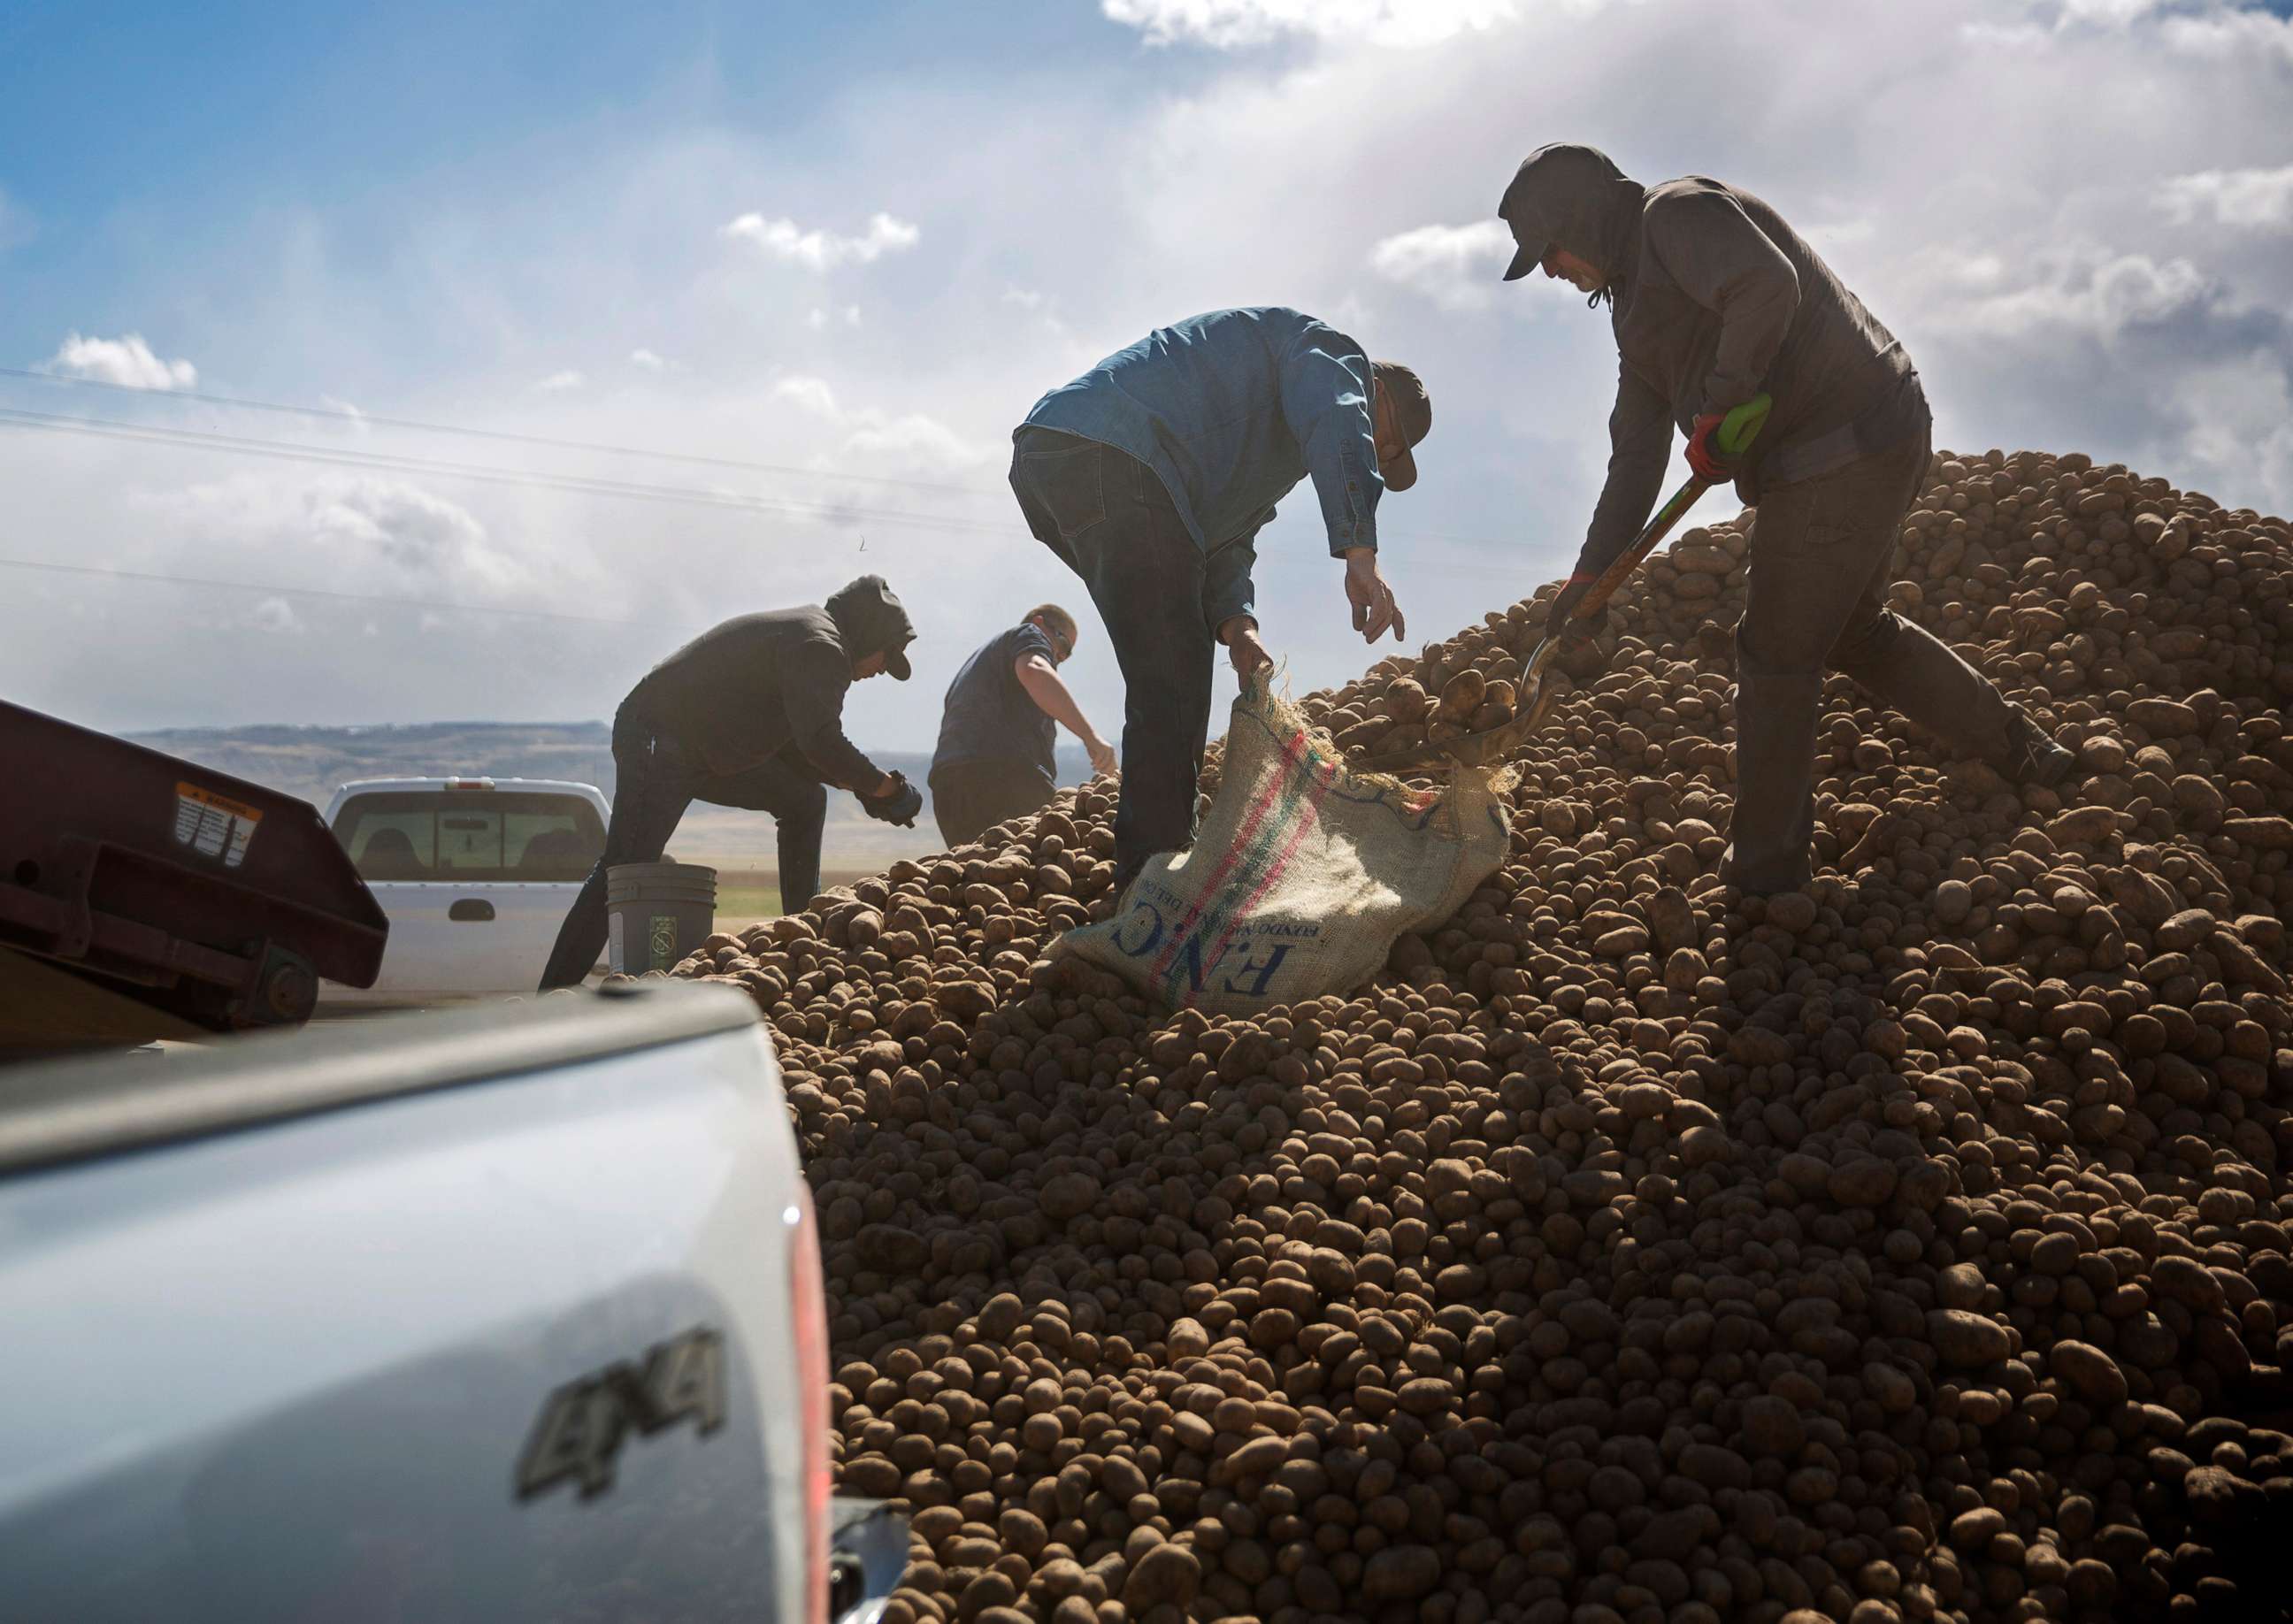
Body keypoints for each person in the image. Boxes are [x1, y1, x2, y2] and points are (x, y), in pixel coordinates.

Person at [1497, 143, 2075, 895]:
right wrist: (1588, 577)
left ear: (1580, 219)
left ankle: (1765, 875)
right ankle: (2025, 752)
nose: (1550, 270)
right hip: (1860, 437)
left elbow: (1766, 283)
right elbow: (1634, 457)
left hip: (1844, 438)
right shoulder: (1636, 318)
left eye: (1550, 250)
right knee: (1851, 631)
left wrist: (1722, 402)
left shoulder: (1674, 213)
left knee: (1774, 651)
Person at [1009, 306, 1430, 893]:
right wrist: (1360, 551)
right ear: (1376, 396)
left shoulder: (1262, 443)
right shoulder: (1334, 359)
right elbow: (1340, 420)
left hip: (1060, 462)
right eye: (1385, 444)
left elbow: (1221, 534)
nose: (1378, 457)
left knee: (1170, 659)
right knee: (1172, 680)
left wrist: (1239, 627)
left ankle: (1155, 858)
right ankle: (1151, 881)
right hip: (1111, 452)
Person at [536, 575, 924, 990]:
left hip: (704, 751)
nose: (882, 669)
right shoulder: (821, 646)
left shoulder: (812, 641)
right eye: (886, 656)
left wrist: (864, 787)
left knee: (802, 800)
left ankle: (801, 936)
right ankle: (550, 997)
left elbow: (799, 751)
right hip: (658, 735)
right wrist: (886, 788)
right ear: (868, 633)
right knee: (625, 866)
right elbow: (821, 742)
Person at [929, 603, 1117, 847]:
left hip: (948, 790)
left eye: (1067, 655)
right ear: (1038, 623)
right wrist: (1091, 738)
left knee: (979, 871)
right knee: (1042, 862)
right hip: (1005, 777)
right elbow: (1034, 670)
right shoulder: (1028, 634)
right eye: (1063, 645)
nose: (1060, 657)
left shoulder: (977, 669)